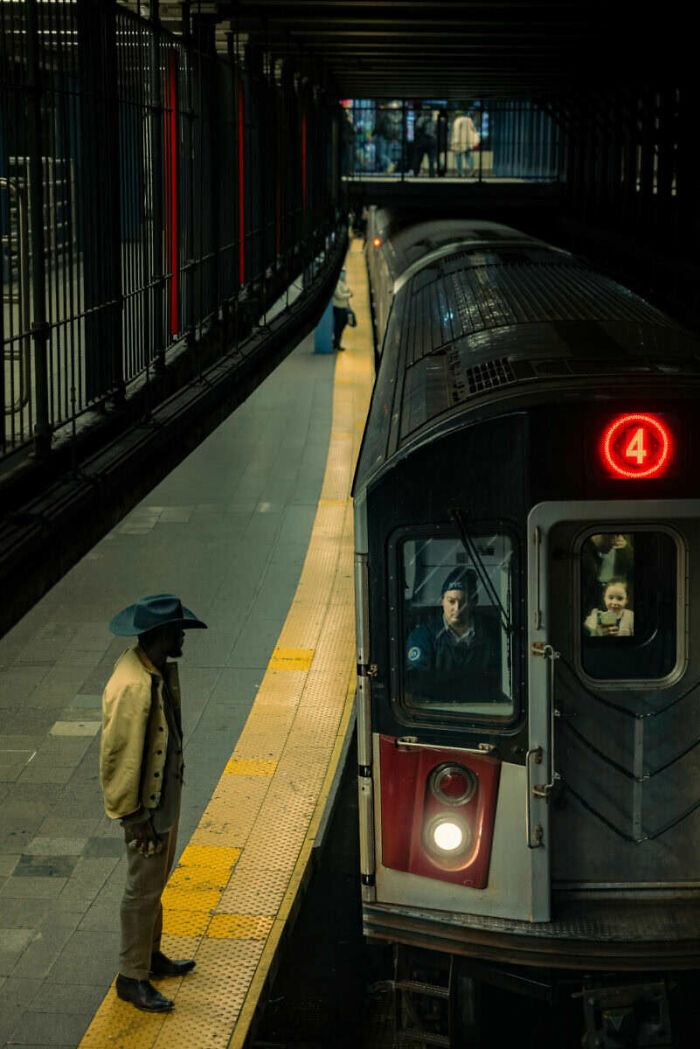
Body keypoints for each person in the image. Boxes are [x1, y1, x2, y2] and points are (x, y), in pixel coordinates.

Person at [100, 593, 207, 1013]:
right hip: (145, 810)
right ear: (162, 635)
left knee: (155, 884)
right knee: (141, 891)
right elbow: (120, 757)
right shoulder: (134, 685)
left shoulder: (149, 668)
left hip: (161, 803)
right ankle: (131, 976)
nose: (183, 637)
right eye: (178, 630)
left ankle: (150, 958)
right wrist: (134, 817)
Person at [405, 569, 500, 701]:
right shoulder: (422, 636)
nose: (457, 608)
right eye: (451, 601)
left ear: (474, 603)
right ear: (442, 600)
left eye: (463, 602)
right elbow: (416, 682)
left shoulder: (492, 633)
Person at [581, 533, 633, 619]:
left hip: (616, 587)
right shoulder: (585, 549)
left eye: (616, 536)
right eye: (611, 536)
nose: (614, 540)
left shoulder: (624, 540)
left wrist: (626, 549)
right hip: (595, 588)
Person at [450, 110, 480, 177]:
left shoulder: (457, 121)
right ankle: (472, 169)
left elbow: (456, 133)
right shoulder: (469, 120)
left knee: (458, 157)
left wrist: (455, 143)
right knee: (468, 156)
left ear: (456, 115)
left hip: (459, 142)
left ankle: (460, 172)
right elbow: (474, 130)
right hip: (468, 142)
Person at [412, 106, 437, 177]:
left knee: (419, 157)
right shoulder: (433, 120)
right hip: (432, 140)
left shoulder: (421, 119)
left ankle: (416, 172)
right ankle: (432, 174)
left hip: (422, 140)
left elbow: (417, 128)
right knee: (431, 159)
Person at [332, 268, 353, 351]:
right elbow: (339, 295)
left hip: (344, 307)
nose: (343, 274)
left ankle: (337, 343)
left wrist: (348, 293)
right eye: (342, 272)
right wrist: (349, 295)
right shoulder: (336, 283)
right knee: (338, 326)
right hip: (338, 308)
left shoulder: (343, 282)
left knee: (343, 324)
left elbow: (346, 291)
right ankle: (336, 344)